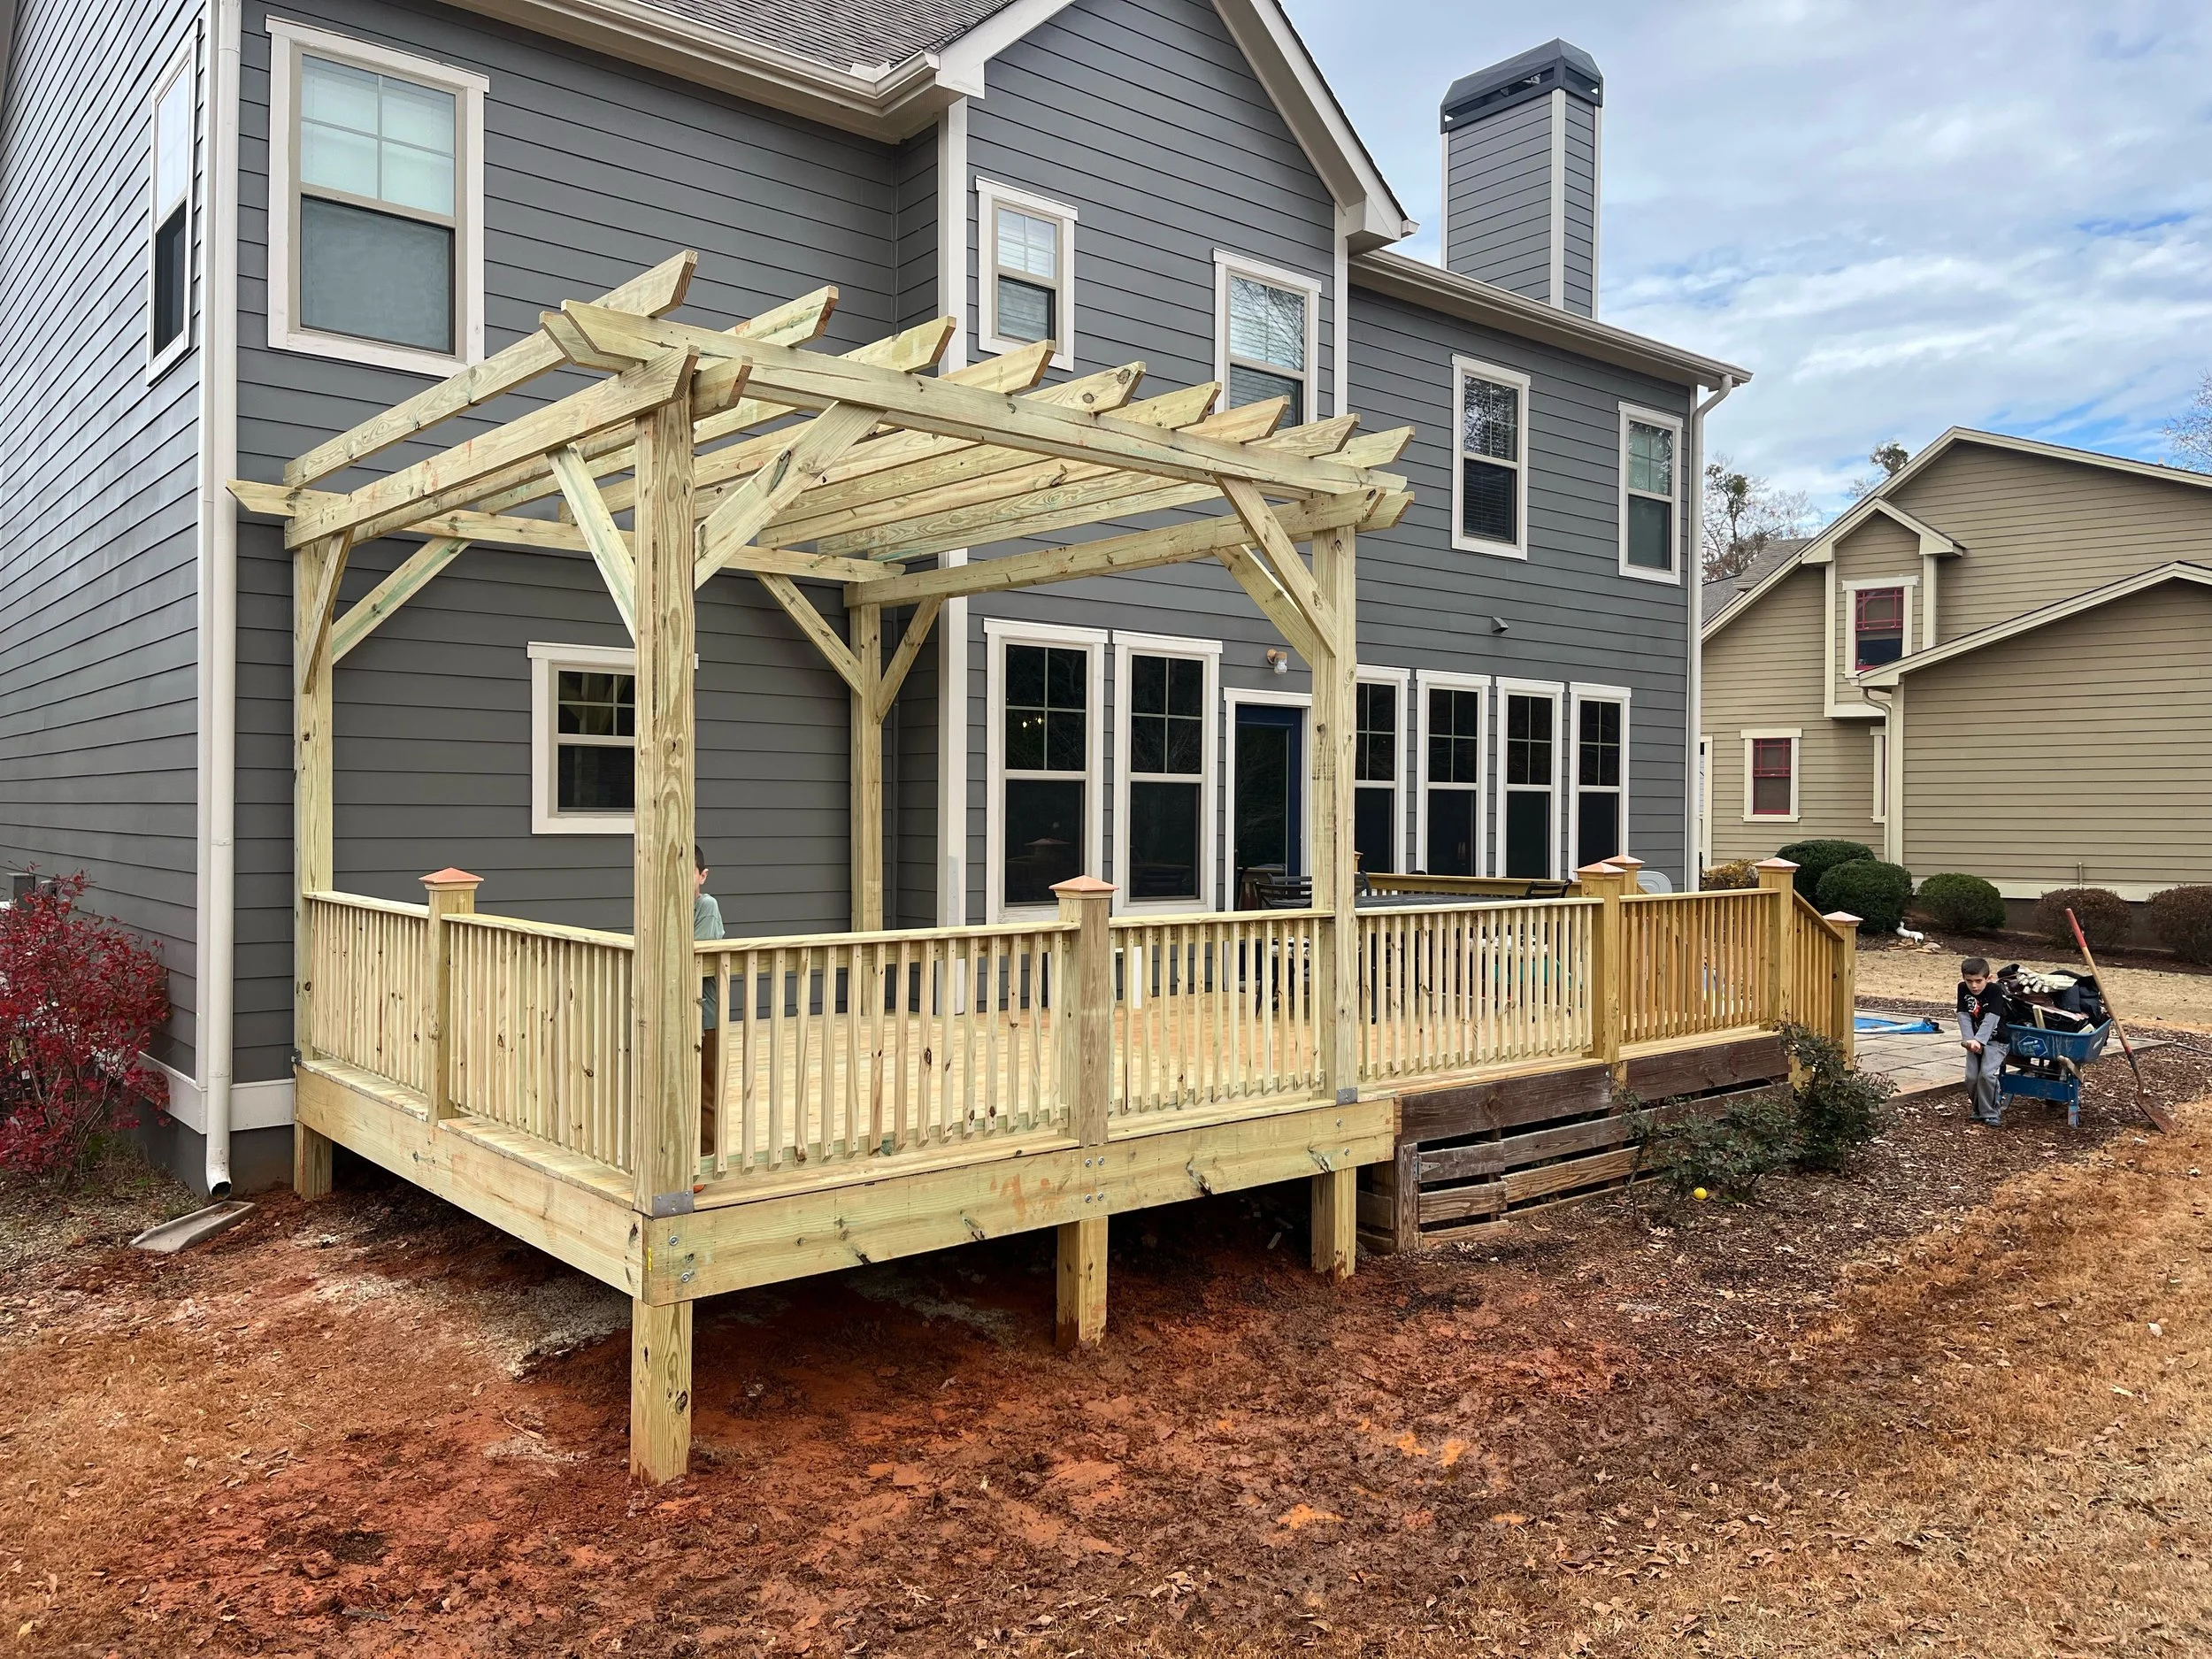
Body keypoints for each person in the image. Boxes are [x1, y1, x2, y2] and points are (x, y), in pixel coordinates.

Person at [1957, 956, 2008, 1125]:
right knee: (1971, 1077)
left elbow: (1991, 1018)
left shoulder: (1995, 991)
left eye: (1979, 981)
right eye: (1969, 981)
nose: (1974, 986)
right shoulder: (1962, 989)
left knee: (1986, 1074)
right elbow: (1963, 1015)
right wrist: (1969, 1040)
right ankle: (1978, 1109)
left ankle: (1991, 1112)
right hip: (1974, 1042)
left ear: (1989, 978)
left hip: (1996, 1040)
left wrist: (1979, 1040)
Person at [695, 848, 724, 1148]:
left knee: (705, 1091)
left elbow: (697, 960)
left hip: (703, 1016)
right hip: (674, 1012)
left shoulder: (706, 906)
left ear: (702, 875)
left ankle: (704, 1157)